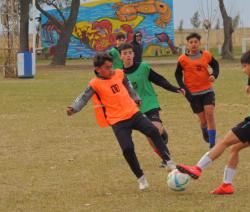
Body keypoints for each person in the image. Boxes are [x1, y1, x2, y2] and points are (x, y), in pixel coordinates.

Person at [176, 49, 250, 195]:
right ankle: (226, 185)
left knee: (223, 141)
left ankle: (197, 169)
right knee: (234, 149)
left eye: (244, 66)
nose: (243, 70)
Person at [66, 53, 176, 190]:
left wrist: (135, 97)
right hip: (117, 121)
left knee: (153, 131)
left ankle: (169, 161)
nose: (111, 70)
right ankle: (141, 178)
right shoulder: (94, 83)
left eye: (111, 66)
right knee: (127, 149)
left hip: (133, 113)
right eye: (107, 68)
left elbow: (128, 85)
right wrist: (73, 108)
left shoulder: (119, 73)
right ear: (98, 69)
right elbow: (83, 98)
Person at [119, 43, 185, 167]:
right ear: (120, 56)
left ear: (133, 54)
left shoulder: (143, 67)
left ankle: (163, 133)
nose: (128, 55)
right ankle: (166, 159)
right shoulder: (119, 74)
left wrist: (174, 88)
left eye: (130, 53)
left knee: (156, 129)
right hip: (134, 108)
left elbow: (159, 80)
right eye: (125, 53)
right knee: (150, 135)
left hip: (149, 102)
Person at [175, 32, 219, 148]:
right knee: (203, 120)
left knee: (209, 114)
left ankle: (212, 143)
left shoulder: (206, 55)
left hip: (207, 90)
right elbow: (178, 76)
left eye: (195, 42)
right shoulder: (182, 59)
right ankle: (204, 129)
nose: (193, 44)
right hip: (193, 94)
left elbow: (216, 65)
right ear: (187, 44)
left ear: (199, 43)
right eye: (191, 42)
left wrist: (214, 75)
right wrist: (184, 90)